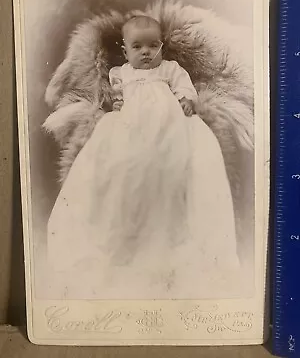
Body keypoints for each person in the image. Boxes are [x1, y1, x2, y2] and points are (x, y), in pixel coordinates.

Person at [46, 15, 240, 299]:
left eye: (152, 45)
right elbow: (115, 99)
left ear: (162, 47)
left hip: (169, 123)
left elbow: (184, 87)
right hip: (131, 127)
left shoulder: (170, 69)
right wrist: (118, 104)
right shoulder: (120, 73)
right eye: (137, 47)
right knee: (119, 161)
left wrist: (187, 99)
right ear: (125, 51)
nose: (146, 52)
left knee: (187, 153)